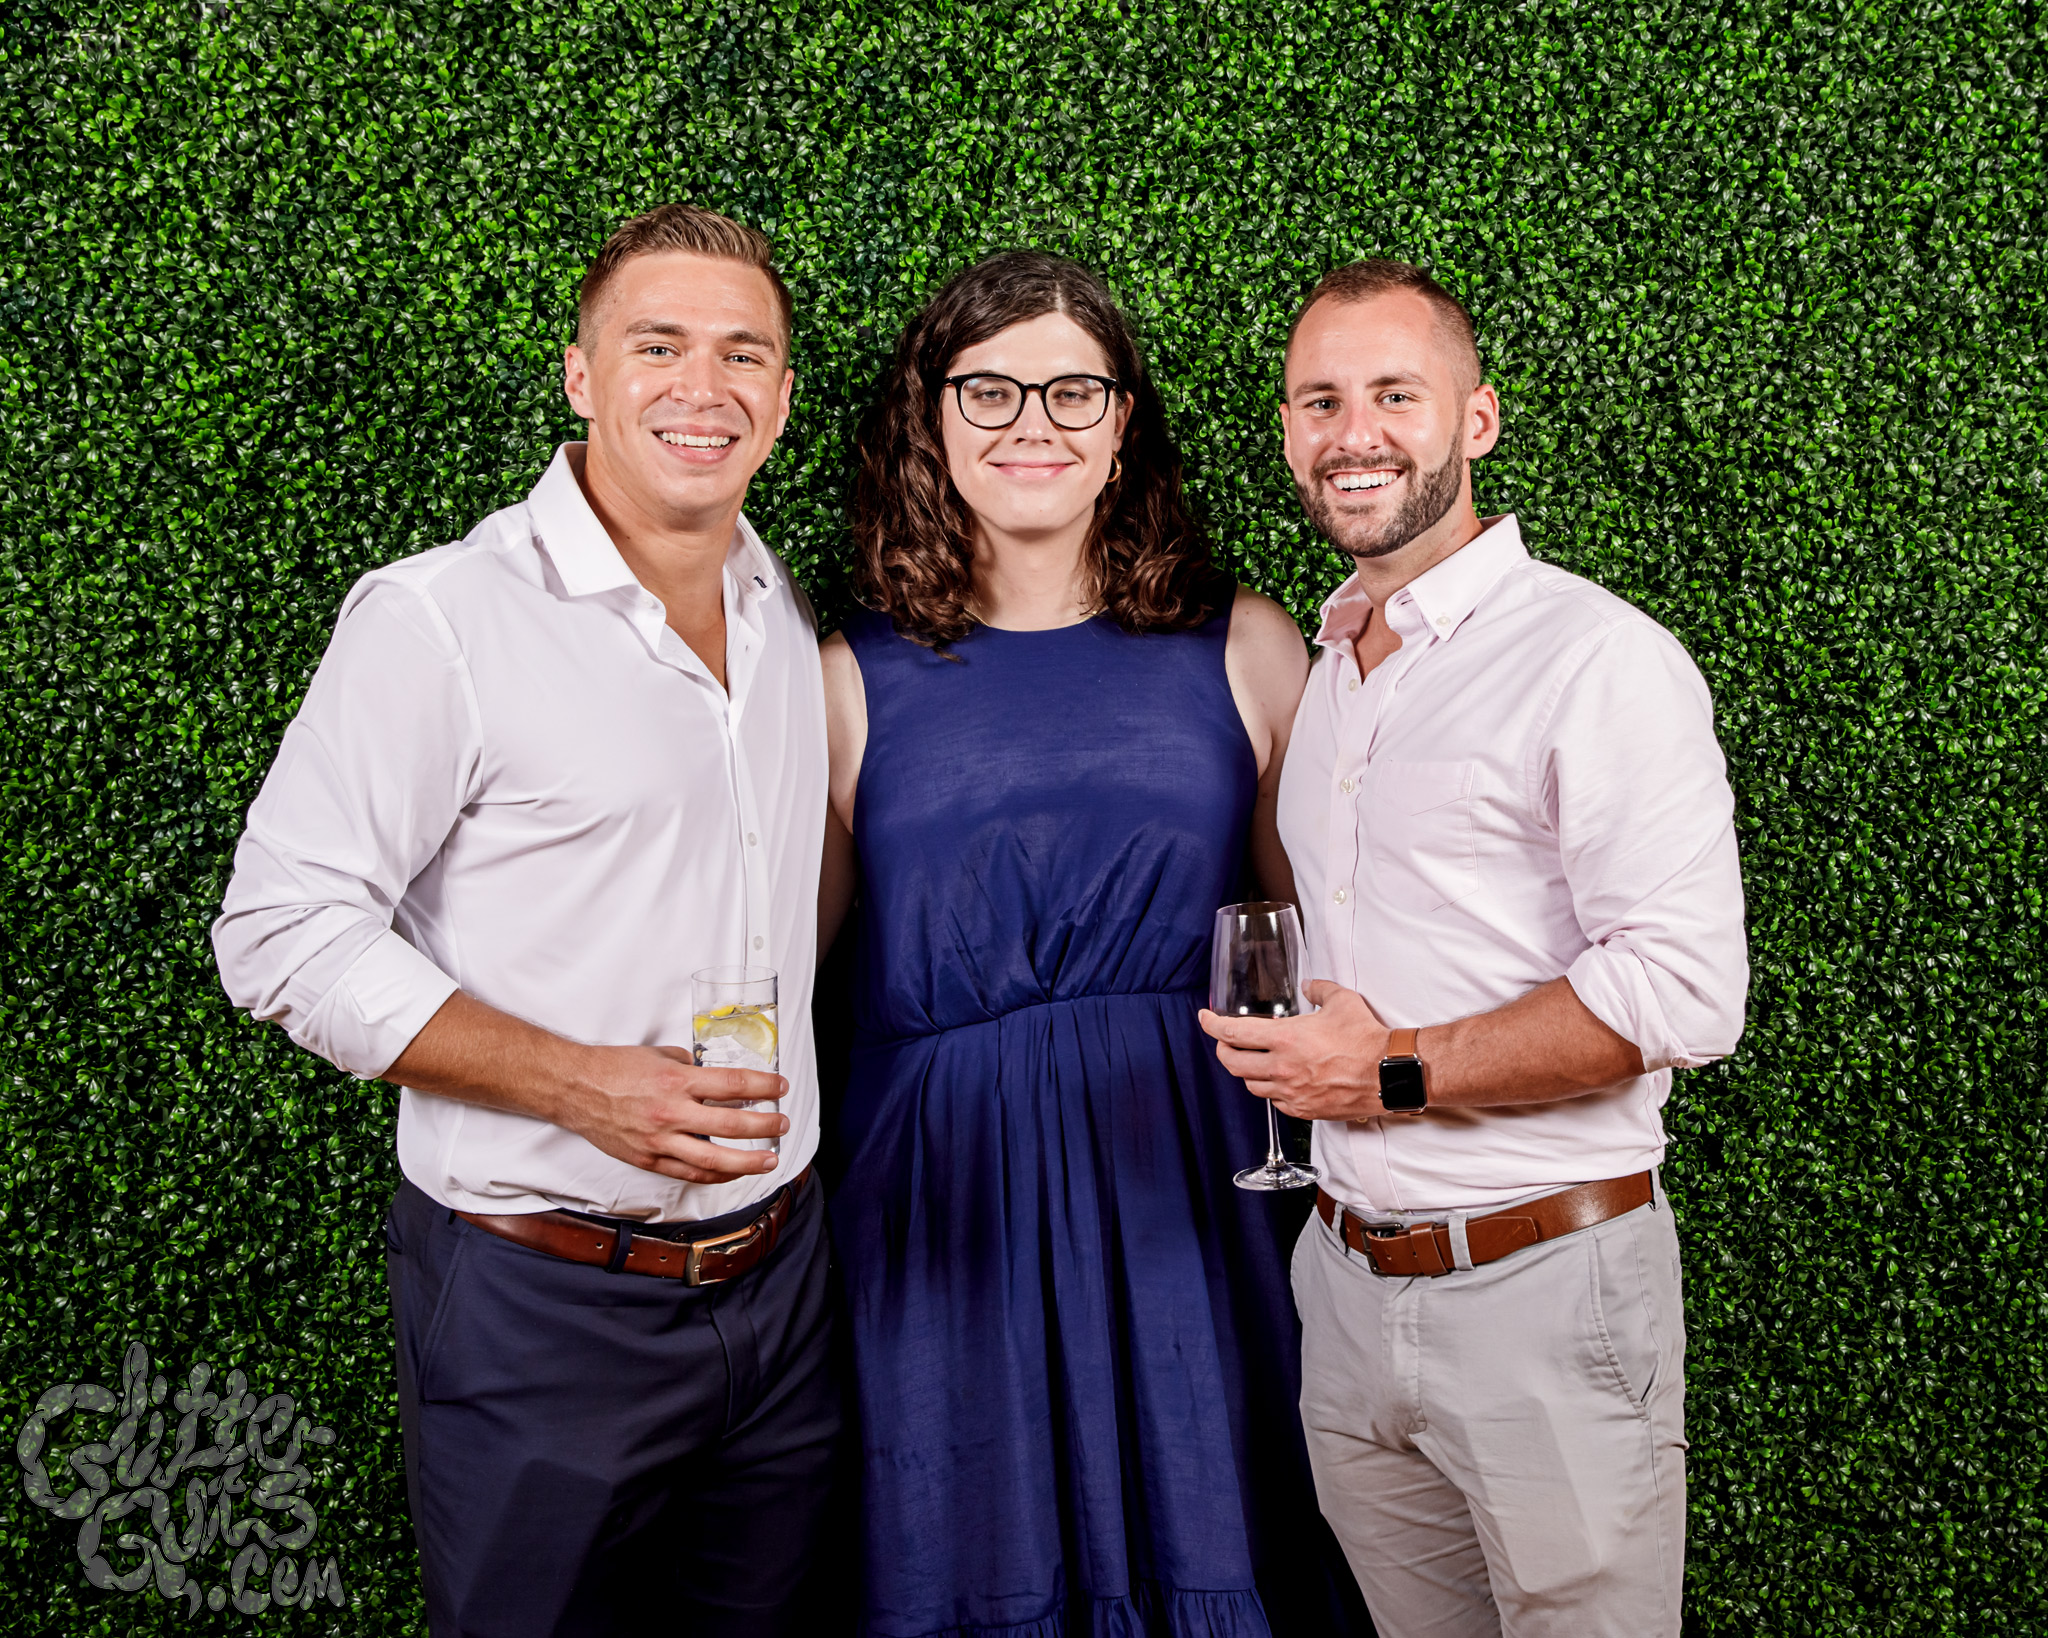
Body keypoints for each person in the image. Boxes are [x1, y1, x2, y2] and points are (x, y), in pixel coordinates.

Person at [212, 204, 837, 1638]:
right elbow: (280, 929)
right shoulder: (440, 619)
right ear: (580, 374)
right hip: (541, 1303)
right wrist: (579, 1084)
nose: (703, 386)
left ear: (784, 394)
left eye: (743, 353)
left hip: (785, 1287)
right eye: (657, 345)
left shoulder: (778, 607)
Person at [818, 250, 1370, 1638]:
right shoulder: (840, 677)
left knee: (1221, 1524)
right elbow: (779, 969)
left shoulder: (1247, 647)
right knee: (970, 1555)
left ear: (1123, 421)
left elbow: (1332, 942)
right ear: (931, 419)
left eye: (1073, 389)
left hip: (1197, 1183)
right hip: (941, 1210)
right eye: (989, 389)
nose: (1033, 423)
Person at [1199, 258, 1750, 1637]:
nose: (1356, 432)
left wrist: (1388, 1070)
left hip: (1544, 1287)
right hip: (1344, 1280)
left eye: (1397, 394)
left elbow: (1686, 991)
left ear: (1478, 419)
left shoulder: (1594, 658)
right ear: (1288, 431)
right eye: (1321, 400)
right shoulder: (1332, 664)